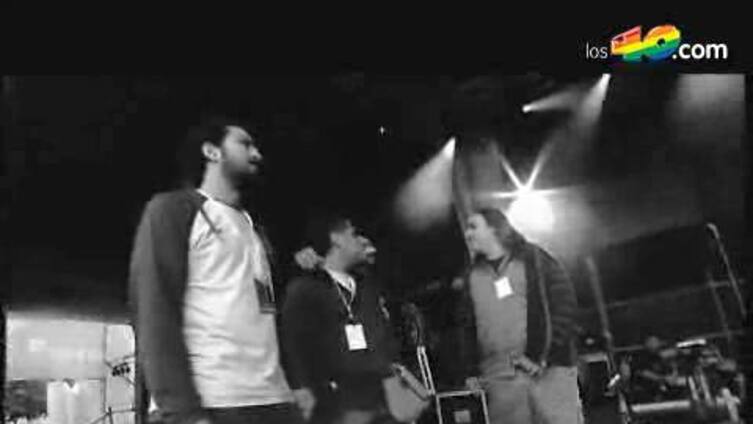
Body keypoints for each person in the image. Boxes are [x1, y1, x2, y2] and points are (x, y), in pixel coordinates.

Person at [129, 116, 304, 424]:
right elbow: (154, 310)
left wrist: (296, 384)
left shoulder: (254, 227)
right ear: (212, 152)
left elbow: (267, 312)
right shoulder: (173, 209)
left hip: (276, 401)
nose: (257, 154)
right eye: (245, 144)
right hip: (215, 402)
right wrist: (183, 413)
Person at [456, 207, 583, 424]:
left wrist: (540, 356)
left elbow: (564, 306)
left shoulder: (535, 260)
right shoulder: (471, 276)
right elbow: (466, 327)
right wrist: (470, 371)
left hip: (549, 372)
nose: (467, 234)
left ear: (494, 228)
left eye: (474, 227)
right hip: (500, 380)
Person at [281, 215, 399, 424]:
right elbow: (293, 344)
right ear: (336, 238)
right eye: (353, 234)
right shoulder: (305, 289)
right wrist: (301, 388)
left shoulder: (366, 285)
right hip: (336, 404)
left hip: (380, 399)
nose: (361, 240)